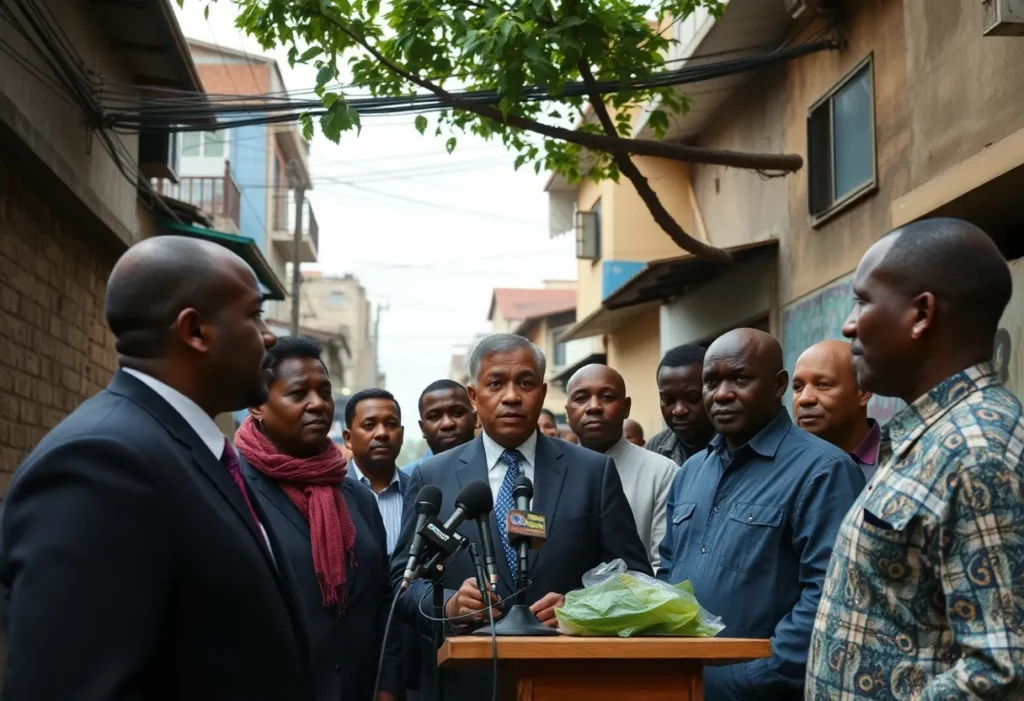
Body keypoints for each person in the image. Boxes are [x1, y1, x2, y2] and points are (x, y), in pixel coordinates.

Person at [0, 236, 312, 700]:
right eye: (254, 315)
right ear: (195, 331)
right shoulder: (103, 464)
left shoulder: (189, 451)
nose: (269, 337)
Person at [808, 219, 1024, 699]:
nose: (848, 325)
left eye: (863, 301)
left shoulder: (975, 452)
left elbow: (1000, 671)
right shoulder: (934, 435)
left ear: (921, 314)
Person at [392, 334, 651, 701]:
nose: (511, 396)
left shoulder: (593, 472)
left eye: (525, 383)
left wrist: (582, 610)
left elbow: (637, 580)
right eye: (496, 383)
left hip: (566, 681)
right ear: (474, 396)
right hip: (466, 683)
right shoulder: (432, 476)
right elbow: (401, 584)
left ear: (542, 394)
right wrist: (449, 604)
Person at [658, 328, 864, 700]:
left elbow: (829, 597)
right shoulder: (690, 473)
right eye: (711, 382)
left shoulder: (823, 470)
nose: (722, 394)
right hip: (682, 684)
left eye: (740, 379)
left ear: (778, 385)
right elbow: (667, 574)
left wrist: (751, 679)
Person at [237, 336, 400, 701]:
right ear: (257, 404)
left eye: (324, 393)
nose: (318, 404)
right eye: (298, 394)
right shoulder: (234, 491)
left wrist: (388, 685)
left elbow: (382, 600)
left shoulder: (358, 497)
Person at [565, 364, 679, 568]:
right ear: (567, 412)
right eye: (581, 398)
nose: (594, 407)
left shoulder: (662, 472)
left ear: (626, 407)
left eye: (607, 397)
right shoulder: (548, 472)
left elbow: (663, 565)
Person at [792, 339, 880, 481]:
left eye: (823, 385)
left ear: (863, 392)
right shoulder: (781, 466)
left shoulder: (902, 460)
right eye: (797, 387)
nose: (804, 398)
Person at [344, 388, 407, 556]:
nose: (382, 433)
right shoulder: (330, 492)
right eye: (369, 425)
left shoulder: (418, 492)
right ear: (348, 439)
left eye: (391, 424)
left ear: (401, 435)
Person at [646, 344, 716, 465]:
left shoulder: (736, 444)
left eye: (692, 398)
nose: (679, 410)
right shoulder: (654, 448)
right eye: (668, 400)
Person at [418, 379, 476, 457]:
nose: (447, 424)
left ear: (475, 418)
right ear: (422, 429)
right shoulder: (417, 466)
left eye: (458, 413)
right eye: (434, 417)